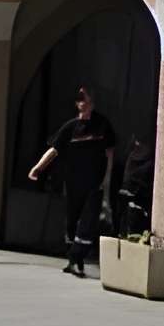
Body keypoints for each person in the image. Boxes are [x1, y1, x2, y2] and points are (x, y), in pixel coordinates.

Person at [27, 86, 122, 278]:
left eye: (85, 99)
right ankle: (72, 258)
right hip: (73, 182)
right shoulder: (70, 127)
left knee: (88, 221)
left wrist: (107, 178)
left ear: (92, 103)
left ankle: (79, 258)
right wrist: (38, 167)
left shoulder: (102, 125)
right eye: (79, 100)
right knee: (71, 221)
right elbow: (54, 149)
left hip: (94, 182)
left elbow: (110, 153)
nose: (82, 103)